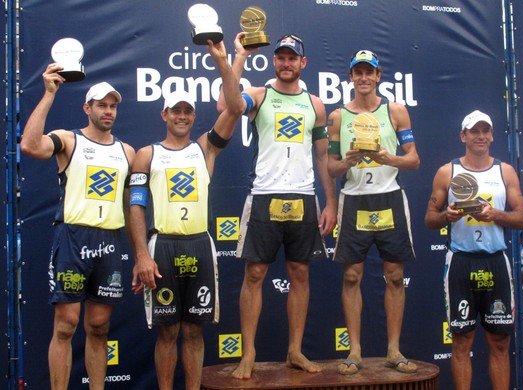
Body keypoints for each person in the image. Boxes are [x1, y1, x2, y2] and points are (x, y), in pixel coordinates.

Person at [127, 35, 249, 390]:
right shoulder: (146, 154)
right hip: (161, 247)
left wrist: (230, 59)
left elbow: (237, 108)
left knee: (194, 331)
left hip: (199, 245)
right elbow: (134, 207)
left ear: (193, 115)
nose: (182, 116)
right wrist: (140, 256)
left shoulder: (206, 149)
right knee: (167, 333)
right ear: (164, 114)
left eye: (187, 111)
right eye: (175, 111)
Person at [218, 34, 337, 379]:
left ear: (303, 63)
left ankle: (295, 351)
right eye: (281, 58)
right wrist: (239, 57)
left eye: (292, 58)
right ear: (274, 62)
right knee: (254, 275)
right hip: (265, 194)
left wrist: (330, 201)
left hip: (303, 196)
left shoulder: (315, 104)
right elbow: (230, 105)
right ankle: (248, 353)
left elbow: (322, 156)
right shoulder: (259, 94)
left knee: (300, 274)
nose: (286, 63)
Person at [20, 69, 134, 390]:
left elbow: (129, 205)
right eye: (101, 105)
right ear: (88, 108)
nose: (108, 111)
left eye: (113, 106)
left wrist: (139, 249)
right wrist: (49, 94)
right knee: (66, 326)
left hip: (109, 241)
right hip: (72, 237)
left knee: (99, 327)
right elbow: (29, 145)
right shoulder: (69, 139)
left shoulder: (126, 151)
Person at [327, 50, 420, 375]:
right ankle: (355, 350)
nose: (364, 78)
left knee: (394, 276)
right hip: (354, 200)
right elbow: (331, 167)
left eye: (370, 72)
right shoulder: (338, 116)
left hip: (389, 198)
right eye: (358, 73)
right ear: (351, 77)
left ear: (378, 76)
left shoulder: (395, 111)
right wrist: (347, 162)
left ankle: (394, 350)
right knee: (352, 276)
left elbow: (414, 160)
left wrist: (387, 158)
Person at [425, 110, 523, 389]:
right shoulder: (448, 171)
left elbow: (521, 217)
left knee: (500, 342)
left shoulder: (504, 171)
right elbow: (429, 219)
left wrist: (496, 215)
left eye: (485, 131)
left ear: (492, 136)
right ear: (463, 136)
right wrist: (447, 216)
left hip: (496, 261)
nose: (481, 136)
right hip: (461, 262)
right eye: (474, 131)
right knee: (461, 342)